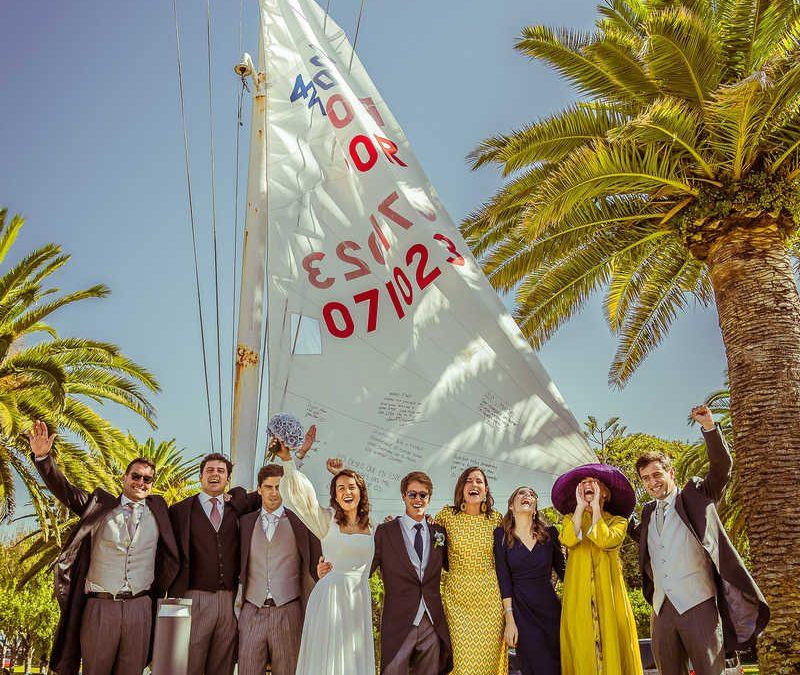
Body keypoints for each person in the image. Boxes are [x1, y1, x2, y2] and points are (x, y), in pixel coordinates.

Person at [28, 420, 179, 675]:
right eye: (136, 476)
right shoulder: (98, 505)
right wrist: (43, 457)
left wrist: (228, 497)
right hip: (100, 607)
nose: (141, 482)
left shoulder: (160, 511)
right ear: (124, 478)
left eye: (148, 479)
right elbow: (64, 490)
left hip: (140, 607)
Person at [629, 405, 769, 675]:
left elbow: (721, 468)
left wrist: (709, 427)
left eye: (657, 474)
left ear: (671, 473)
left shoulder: (695, 495)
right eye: (646, 478)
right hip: (661, 609)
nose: (652, 482)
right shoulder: (647, 513)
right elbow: (634, 532)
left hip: (699, 605)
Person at [272, 427, 375, 675]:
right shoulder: (325, 520)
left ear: (361, 493)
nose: (346, 492)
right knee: (326, 660)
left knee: (352, 660)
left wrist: (342, 473)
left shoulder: (375, 526)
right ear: (334, 496)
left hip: (358, 599)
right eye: (340, 488)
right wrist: (287, 459)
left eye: (351, 487)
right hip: (329, 598)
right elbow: (300, 496)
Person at [551, 464, 642, 674]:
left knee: (614, 645)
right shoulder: (570, 520)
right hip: (578, 598)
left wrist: (596, 512)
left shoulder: (618, 521)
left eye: (594, 483)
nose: (587, 485)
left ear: (606, 493)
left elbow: (604, 540)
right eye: (582, 483)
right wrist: (581, 508)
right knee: (581, 646)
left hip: (610, 596)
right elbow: (568, 539)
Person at [236, 463, 321, 675]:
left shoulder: (300, 522)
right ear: (259, 489)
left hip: (288, 611)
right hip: (252, 610)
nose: (274, 493)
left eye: (279, 487)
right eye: (268, 487)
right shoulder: (245, 523)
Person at [363, 471, 451, 674]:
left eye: (423, 495)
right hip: (399, 621)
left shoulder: (439, 533)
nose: (418, 499)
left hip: (432, 622)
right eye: (412, 494)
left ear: (429, 498)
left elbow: (454, 565)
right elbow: (366, 568)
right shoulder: (385, 532)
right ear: (403, 496)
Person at [167, 453, 242, 675]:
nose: (215, 475)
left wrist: (237, 494)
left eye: (221, 471)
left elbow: (266, 491)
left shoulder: (237, 508)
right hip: (193, 597)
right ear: (201, 476)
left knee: (223, 664)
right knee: (189, 663)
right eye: (210, 470)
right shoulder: (180, 511)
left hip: (229, 600)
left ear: (228, 479)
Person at [434, 467, 506, 675]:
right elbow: (430, 545)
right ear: (461, 488)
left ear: (485, 490)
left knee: (488, 665)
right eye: (468, 481)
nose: (474, 485)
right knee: (461, 665)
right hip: (457, 601)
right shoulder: (447, 516)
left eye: (479, 481)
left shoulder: (496, 519)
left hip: (490, 602)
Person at [493, 486, 565, 675]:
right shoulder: (500, 536)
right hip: (521, 612)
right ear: (511, 506)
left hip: (550, 610)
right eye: (521, 493)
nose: (528, 496)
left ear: (534, 509)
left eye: (532, 494)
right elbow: (504, 579)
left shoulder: (551, 533)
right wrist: (509, 619)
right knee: (534, 666)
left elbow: (565, 572)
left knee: (558, 666)